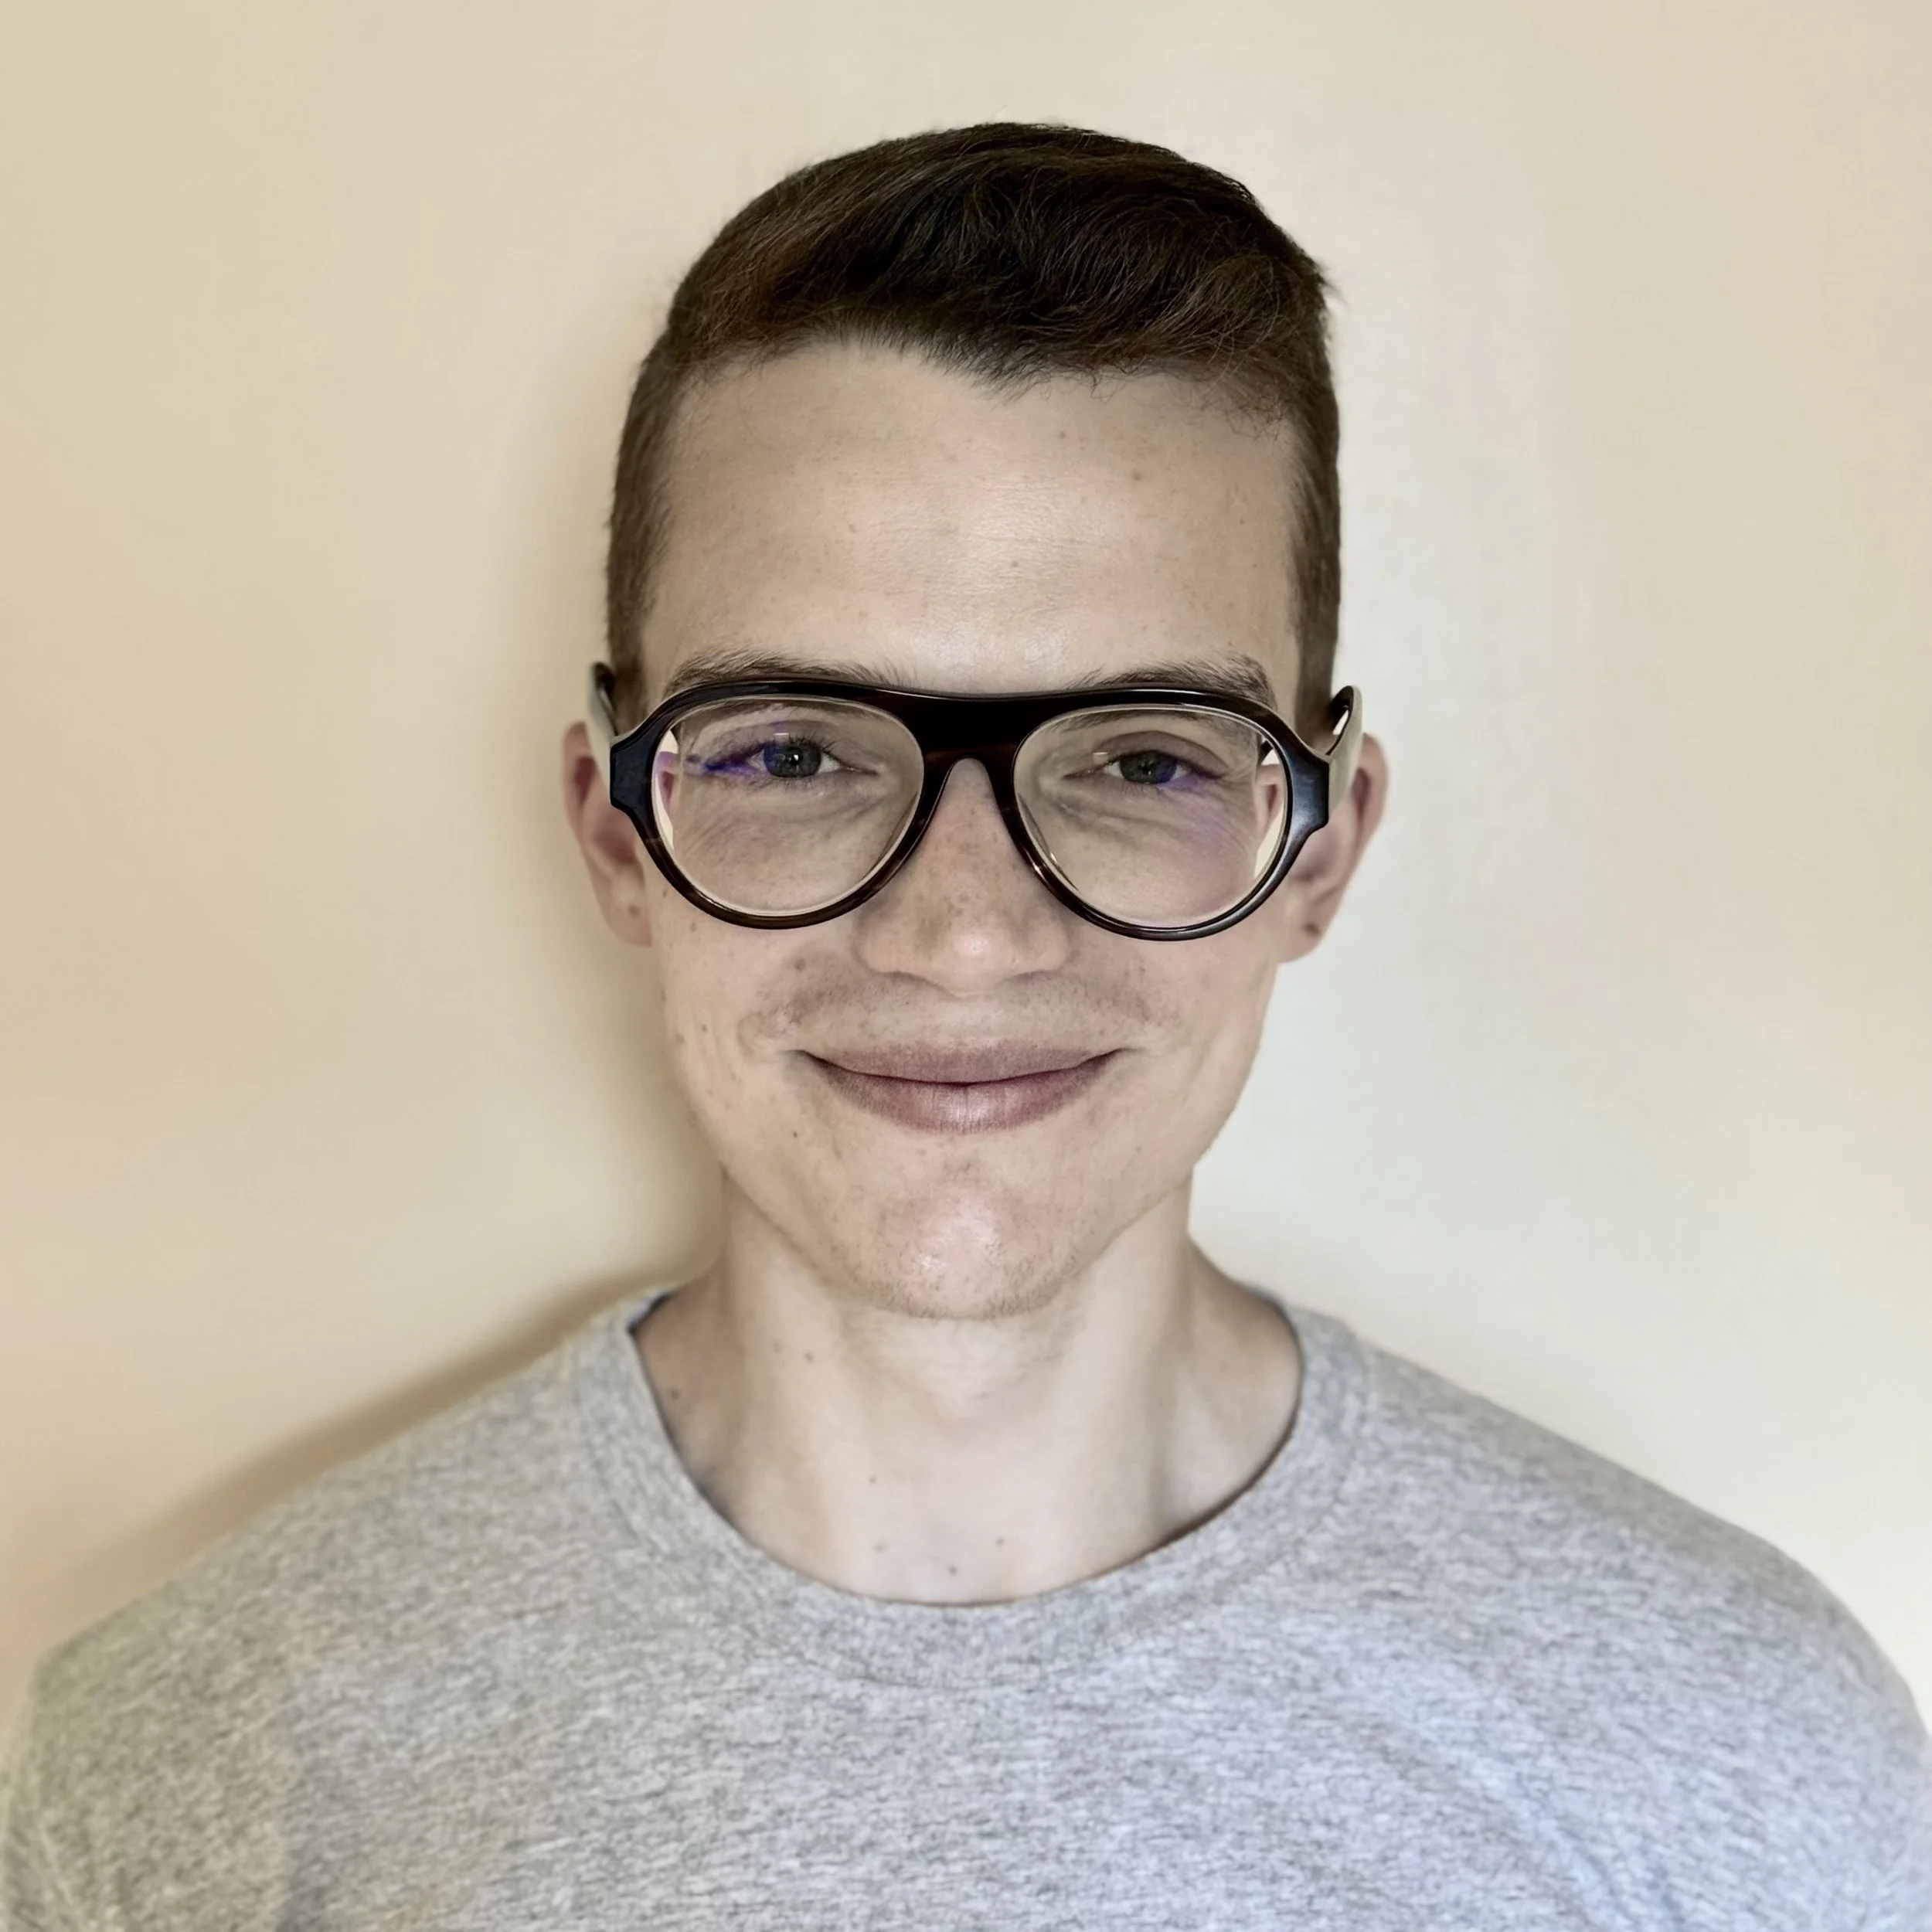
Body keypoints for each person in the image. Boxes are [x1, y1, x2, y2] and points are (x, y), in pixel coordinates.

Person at [2, 122, 1926, 1931]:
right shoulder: (182, 1767)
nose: (960, 930)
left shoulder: (1743, 1751)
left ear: (1318, 849)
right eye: (789, 748)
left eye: (1144, 756)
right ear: (613, 829)